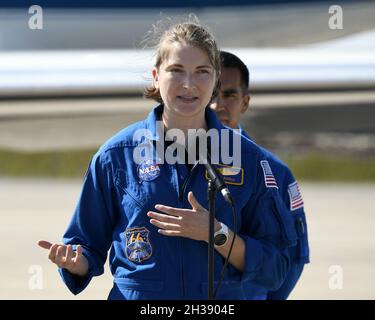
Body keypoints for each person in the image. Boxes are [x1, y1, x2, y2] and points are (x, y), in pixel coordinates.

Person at [37, 18, 297, 300]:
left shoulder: (250, 160)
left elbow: (275, 267)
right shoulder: (115, 156)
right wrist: (76, 262)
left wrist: (216, 233)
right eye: (176, 70)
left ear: (215, 78)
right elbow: (86, 244)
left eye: (201, 72)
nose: (189, 84)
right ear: (156, 76)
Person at [210, 51, 310, 300]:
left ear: (245, 102)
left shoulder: (275, 172)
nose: (217, 105)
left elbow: (291, 260)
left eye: (229, 95)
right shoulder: (173, 162)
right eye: (211, 94)